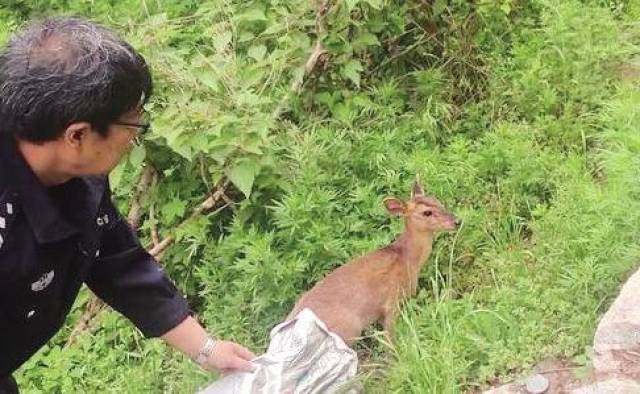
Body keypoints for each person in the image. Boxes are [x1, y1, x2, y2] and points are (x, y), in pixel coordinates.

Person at [0, 16, 256, 393]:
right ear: (78, 135)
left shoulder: (76, 176)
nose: (134, 139)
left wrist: (206, 349)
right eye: (133, 126)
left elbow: (115, 260)